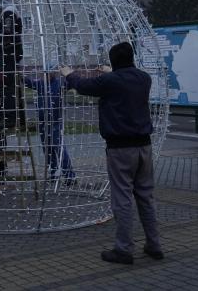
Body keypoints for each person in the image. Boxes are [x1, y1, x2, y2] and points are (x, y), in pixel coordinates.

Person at [60, 42, 163, 264]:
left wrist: (69, 73)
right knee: (146, 197)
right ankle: (154, 245)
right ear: (131, 58)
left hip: (121, 149)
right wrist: (112, 72)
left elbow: (83, 85)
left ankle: (124, 249)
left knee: (122, 198)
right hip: (144, 147)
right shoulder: (144, 78)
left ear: (113, 61)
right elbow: (124, 79)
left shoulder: (109, 81)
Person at [24, 64, 76, 185]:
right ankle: (54, 174)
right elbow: (29, 83)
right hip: (43, 122)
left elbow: (72, 83)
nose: (45, 75)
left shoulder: (60, 84)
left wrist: (69, 74)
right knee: (48, 149)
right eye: (44, 73)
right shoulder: (41, 84)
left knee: (59, 148)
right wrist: (19, 76)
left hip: (55, 121)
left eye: (48, 73)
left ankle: (70, 176)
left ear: (54, 73)